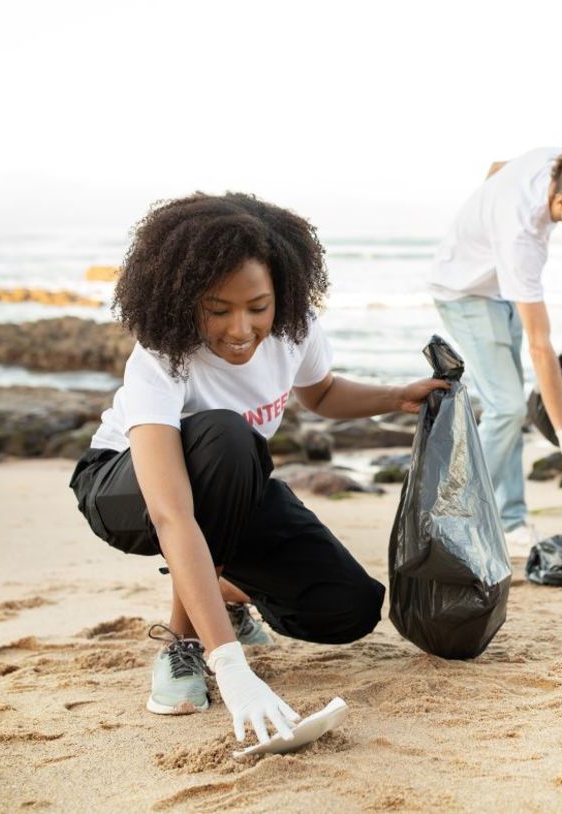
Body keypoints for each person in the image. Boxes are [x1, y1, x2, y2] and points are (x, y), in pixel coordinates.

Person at [68, 192, 448, 746]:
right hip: (124, 490)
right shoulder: (163, 354)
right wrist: (231, 667)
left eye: (258, 307)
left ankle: (220, 591)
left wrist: (396, 396)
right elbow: (172, 513)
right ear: (183, 298)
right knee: (228, 435)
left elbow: (320, 392)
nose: (241, 328)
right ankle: (183, 643)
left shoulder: (295, 328)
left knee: (348, 608)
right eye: (218, 309)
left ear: (281, 295)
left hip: (229, 489)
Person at [428, 134, 562, 557]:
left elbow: (498, 166)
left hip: (498, 288)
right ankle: (448, 520)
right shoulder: (522, 237)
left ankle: (510, 520)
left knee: (510, 405)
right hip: (463, 291)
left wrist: (483, 227)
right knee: (507, 406)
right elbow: (541, 345)